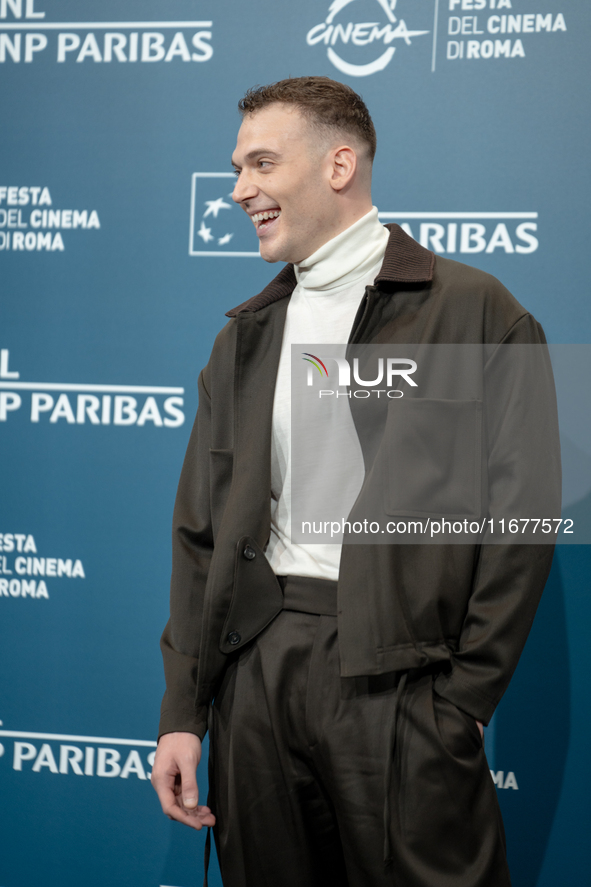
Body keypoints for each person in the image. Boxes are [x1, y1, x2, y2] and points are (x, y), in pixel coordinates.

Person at [151, 77, 559, 886]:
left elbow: (522, 521)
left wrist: (464, 700)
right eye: (237, 167)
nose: (239, 189)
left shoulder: (479, 312)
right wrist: (184, 713)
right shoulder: (243, 337)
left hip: (403, 683)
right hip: (258, 674)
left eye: (261, 163)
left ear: (339, 164)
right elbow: (201, 535)